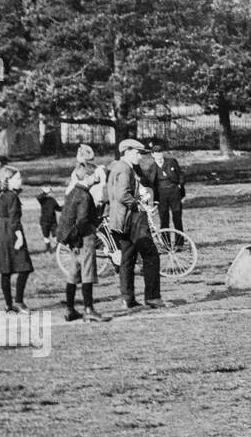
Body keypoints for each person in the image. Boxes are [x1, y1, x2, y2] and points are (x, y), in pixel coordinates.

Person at [106, 139, 164, 309]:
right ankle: (152, 297)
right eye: (138, 153)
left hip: (121, 220)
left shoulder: (117, 167)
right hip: (133, 219)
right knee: (151, 256)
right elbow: (122, 194)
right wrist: (139, 204)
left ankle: (127, 298)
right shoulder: (124, 169)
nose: (140, 157)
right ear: (128, 152)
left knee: (127, 258)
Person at [55, 162, 109, 322]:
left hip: (72, 240)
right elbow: (83, 220)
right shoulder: (85, 195)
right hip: (84, 239)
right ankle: (89, 309)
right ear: (87, 176)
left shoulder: (72, 192)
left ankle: (70, 309)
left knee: (73, 274)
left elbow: (66, 218)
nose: (97, 178)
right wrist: (80, 237)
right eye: (94, 175)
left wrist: (71, 240)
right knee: (87, 274)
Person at [0, 166, 34, 312]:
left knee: (5, 270)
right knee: (24, 267)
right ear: (9, 181)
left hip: (1, 234)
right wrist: (19, 237)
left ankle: (8, 304)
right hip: (12, 233)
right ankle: (18, 301)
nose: (21, 180)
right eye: (17, 178)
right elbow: (14, 219)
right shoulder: (12, 197)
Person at [144, 138, 187, 234]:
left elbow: (181, 174)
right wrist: (152, 199)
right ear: (152, 155)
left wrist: (180, 185)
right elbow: (150, 184)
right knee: (164, 219)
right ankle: (166, 244)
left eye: (160, 153)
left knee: (177, 218)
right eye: (156, 153)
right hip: (161, 195)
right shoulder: (152, 168)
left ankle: (179, 243)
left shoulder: (171, 162)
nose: (158, 155)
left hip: (174, 192)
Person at [36, 186, 61, 252]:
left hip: (53, 221)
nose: (51, 193)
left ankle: (57, 248)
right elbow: (38, 197)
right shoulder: (43, 200)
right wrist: (44, 193)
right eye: (49, 191)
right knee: (46, 236)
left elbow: (58, 208)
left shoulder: (53, 200)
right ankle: (48, 248)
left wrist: (65, 207)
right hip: (44, 221)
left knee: (55, 235)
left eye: (50, 191)